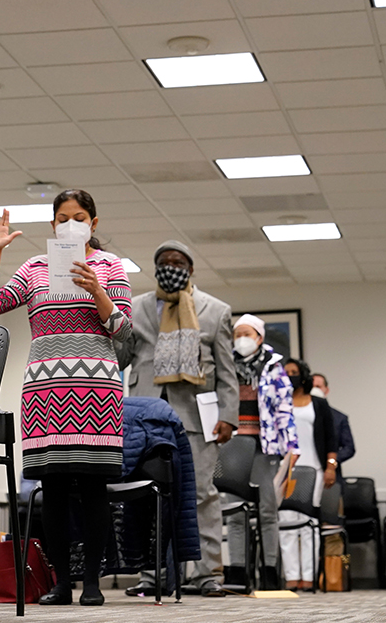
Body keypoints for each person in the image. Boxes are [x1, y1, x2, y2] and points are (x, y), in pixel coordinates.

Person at [0, 189, 131, 607]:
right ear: (52, 225)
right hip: (45, 391)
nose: (70, 224)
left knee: (94, 487)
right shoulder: (34, 268)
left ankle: (94, 584)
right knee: (54, 489)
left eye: (79, 217)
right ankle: (62, 583)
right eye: (62, 218)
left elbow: (124, 333)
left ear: (93, 224)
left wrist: (97, 290)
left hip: (96, 390)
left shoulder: (111, 266)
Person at [118, 240, 239, 597]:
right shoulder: (134, 307)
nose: (171, 267)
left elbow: (227, 373)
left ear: (191, 269)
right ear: (155, 269)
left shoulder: (215, 310)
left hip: (196, 418)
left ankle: (207, 575)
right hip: (143, 416)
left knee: (201, 494)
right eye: (164, 263)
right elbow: (122, 358)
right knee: (144, 496)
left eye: (179, 262)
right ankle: (150, 573)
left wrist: (229, 416)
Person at [224, 314, 298, 591]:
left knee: (268, 510)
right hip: (231, 446)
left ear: (259, 337)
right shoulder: (226, 364)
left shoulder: (274, 367)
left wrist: (291, 446)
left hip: (264, 447)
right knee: (234, 512)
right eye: (237, 333)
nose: (242, 338)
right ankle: (237, 574)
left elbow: (284, 410)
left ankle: (269, 572)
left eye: (247, 333)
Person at [279, 358, 336, 591]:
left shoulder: (319, 404)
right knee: (286, 521)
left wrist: (331, 466)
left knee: (308, 523)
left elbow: (331, 438)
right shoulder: (279, 402)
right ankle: (291, 577)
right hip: (286, 469)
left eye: (294, 371)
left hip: (315, 469)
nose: (290, 375)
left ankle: (309, 577)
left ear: (303, 375)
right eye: (286, 372)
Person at [311, 373, 355, 484]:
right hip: (305, 472)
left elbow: (349, 448)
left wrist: (331, 461)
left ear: (326, 390)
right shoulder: (299, 415)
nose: (314, 390)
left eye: (318, 387)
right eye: (311, 386)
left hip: (331, 475)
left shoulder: (339, 418)